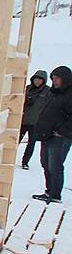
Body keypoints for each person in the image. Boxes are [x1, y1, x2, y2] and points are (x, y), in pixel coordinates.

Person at [33, 66, 72, 204]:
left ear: (64, 79)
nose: (54, 81)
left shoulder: (69, 94)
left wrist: (62, 131)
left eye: (56, 79)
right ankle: (49, 191)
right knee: (45, 163)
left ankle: (55, 195)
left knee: (55, 165)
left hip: (60, 138)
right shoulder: (53, 92)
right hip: (47, 134)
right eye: (53, 79)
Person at [20, 70, 50, 169]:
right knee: (15, 141)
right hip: (23, 120)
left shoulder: (47, 91)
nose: (37, 81)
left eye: (39, 80)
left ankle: (25, 162)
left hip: (36, 122)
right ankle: (8, 159)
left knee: (31, 143)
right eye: (36, 79)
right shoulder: (27, 89)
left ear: (43, 81)